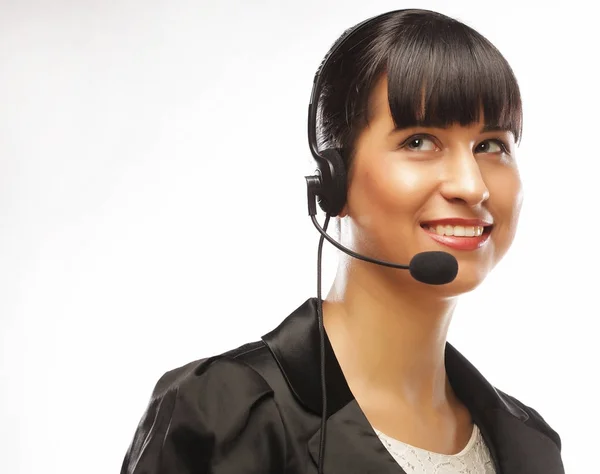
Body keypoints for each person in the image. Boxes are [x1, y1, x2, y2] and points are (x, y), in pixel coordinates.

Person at [120, 8, 564, 474]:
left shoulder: (531, 446)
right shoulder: (223, 416)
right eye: (419, 141)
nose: (472, 187)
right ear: (334, 181)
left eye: (491, 145)